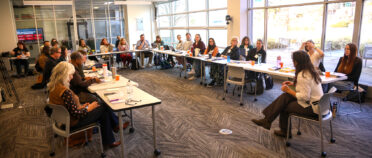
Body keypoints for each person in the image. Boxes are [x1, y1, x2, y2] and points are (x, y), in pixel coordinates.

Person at [47, 62, 121, 147]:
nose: (71, 77)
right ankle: (113, 130)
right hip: (73, 123)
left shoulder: (53, 87)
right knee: (103, 106)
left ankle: (111, 135)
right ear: (64, 75)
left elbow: (69, 108)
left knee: (103, 111)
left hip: (62, 121)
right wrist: (88, 108)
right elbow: (77, 114)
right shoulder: (65, 92)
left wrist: (82, 106)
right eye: (70, 75)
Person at [252, 50, 324, 137]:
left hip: (313, 108)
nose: (293, 62)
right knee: (285, 97)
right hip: (320, 105)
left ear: (297, 62)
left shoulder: (303, 75)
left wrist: (289, 90)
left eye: (293, 60)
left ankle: (279, 128)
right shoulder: (310, 71)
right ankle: (268, 121)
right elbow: (307, 87)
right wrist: (294, 84)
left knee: (284, 105)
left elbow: (305, 97)